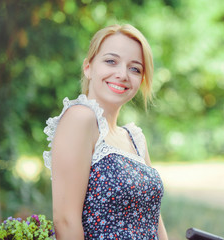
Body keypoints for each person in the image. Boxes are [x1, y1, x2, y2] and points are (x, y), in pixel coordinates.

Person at [43, 24, 168, 240]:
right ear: (88, 67)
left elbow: (154, 219)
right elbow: (65, 220)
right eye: (111, 61)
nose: (122, 74)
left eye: (135, 68)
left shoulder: (134, 138)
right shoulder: (80, 119)